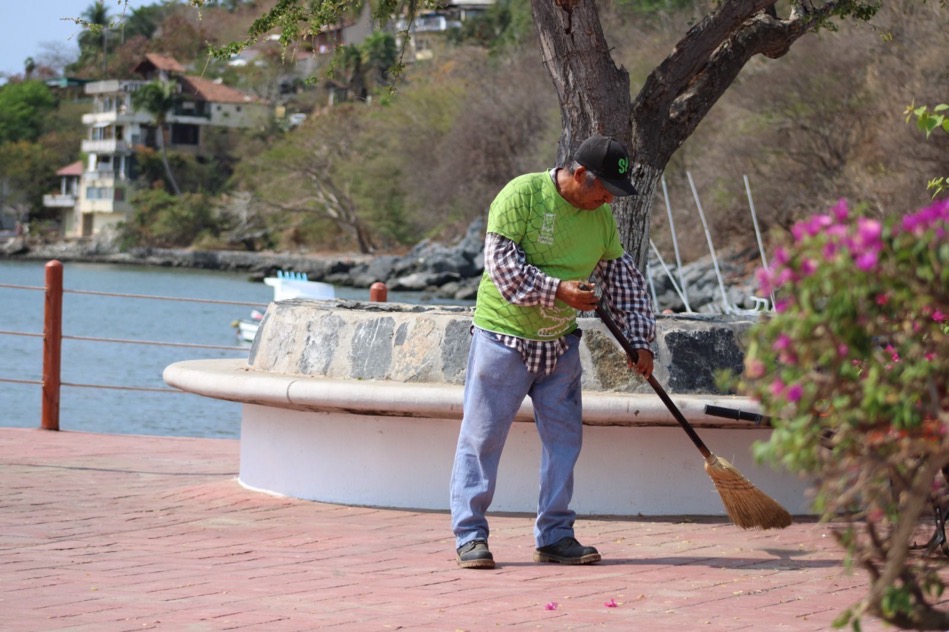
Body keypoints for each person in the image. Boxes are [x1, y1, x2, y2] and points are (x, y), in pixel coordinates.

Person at [450, 134, 657, 569]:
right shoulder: (521, 195)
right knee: (482, 438)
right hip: (502, 339)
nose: (608, 201)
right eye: (603, 191)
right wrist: (559, 290)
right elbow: (504, 271)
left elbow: (625, 284)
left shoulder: (601, 221)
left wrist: (640, 340)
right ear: (580, 174)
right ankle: (470, 536)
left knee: (564, 442)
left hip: (559, 345)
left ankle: (555, 535)